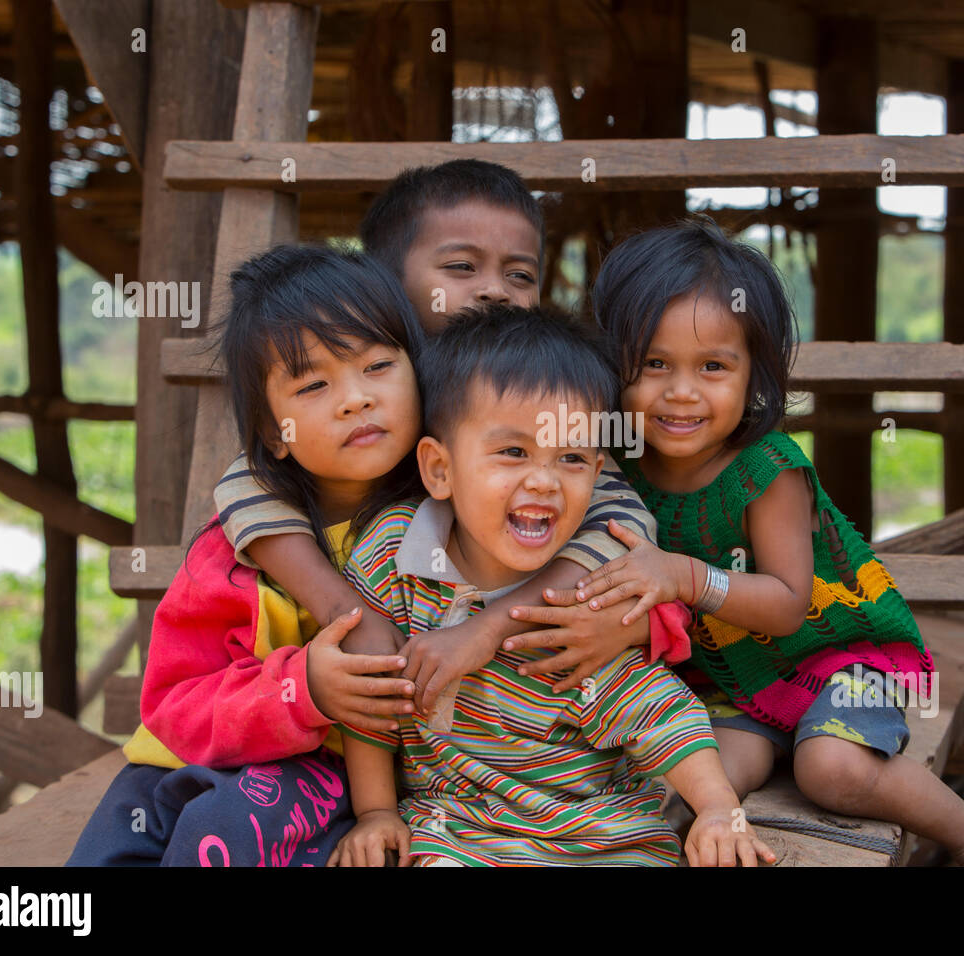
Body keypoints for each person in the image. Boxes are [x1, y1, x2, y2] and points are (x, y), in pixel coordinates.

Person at [578, 216, 964, 866]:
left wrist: (683, 575)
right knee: (701, 777)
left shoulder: (767, 469)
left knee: (832, 770)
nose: (680, 392)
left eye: (712, 365)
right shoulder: (619, 467)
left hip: (835, 662)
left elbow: (789, 601)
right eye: (653, 364)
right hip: (731, 682)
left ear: (753, 373)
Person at [211, 159, 665, 736]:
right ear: (384, 285)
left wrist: (504, 623)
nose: (495, 289)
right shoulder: (369, 413)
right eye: (460, 266)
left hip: (513, 737)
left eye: (521, 276)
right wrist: (351, 613)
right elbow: (246, 482)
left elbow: (620, 521)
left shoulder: (526, 416)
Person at [329, 303, 775, 866]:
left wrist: (716, 809)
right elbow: (372, 696)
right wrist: (376, 812)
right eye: (513, 452)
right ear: (439, 469)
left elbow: (656, 709)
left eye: (570, 458)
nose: (543, 481)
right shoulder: (393, 557)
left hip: (598, 829)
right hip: (454, 828)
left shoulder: (584, 593)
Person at [67, 245, 424, 865]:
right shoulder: (232, 555)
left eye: (378, 365)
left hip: (327, 779)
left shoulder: (448, 526)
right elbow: (173, 703)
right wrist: (302, 688)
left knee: (228, 826)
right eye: (313, 384)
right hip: (175, 769)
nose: (354, 399)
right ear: (270, 434)